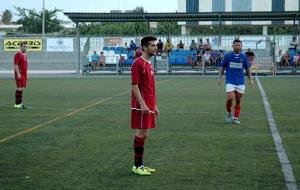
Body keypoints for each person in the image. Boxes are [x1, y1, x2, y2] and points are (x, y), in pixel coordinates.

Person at [131, 36, 160, 176]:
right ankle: (137, 166)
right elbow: (134, 85)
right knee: (141, 133)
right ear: (144, 48)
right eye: (152, 45)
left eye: (156, 45)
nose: (156, 47)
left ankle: (140, 164)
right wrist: (143, 104)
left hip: (149, 105)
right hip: (141, 106)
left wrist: (154, 105)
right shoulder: (138, 63)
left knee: (145, 133)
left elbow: (150, 87)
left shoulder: (148, 63)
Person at [217, 39, 253, 124]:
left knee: (238, 100)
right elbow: (222, 67)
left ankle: (236, 117)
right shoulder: (228, 56)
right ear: (233, 46)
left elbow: (248, 69)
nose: (237, 46)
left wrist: (250, 79)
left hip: (240, 82)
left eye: (239, 45)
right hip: (230, 81)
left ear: (241, 46)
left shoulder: (243, 56)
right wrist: (219, 78)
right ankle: (229, 112)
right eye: (236, 45)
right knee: (230, 98)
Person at [14, 42, 28, 109]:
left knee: (22, 88)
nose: (25, 47)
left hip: (24, 74)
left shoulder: (24, 55)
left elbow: (25, 65)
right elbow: (15, 65)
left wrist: (26, 75)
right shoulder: (18, 54)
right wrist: (18, 74)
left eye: (26, 46)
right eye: (24, 46)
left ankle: (20, 103)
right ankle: (17, 104)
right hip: (20, 74)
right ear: (21, 47)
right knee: (19, 88)